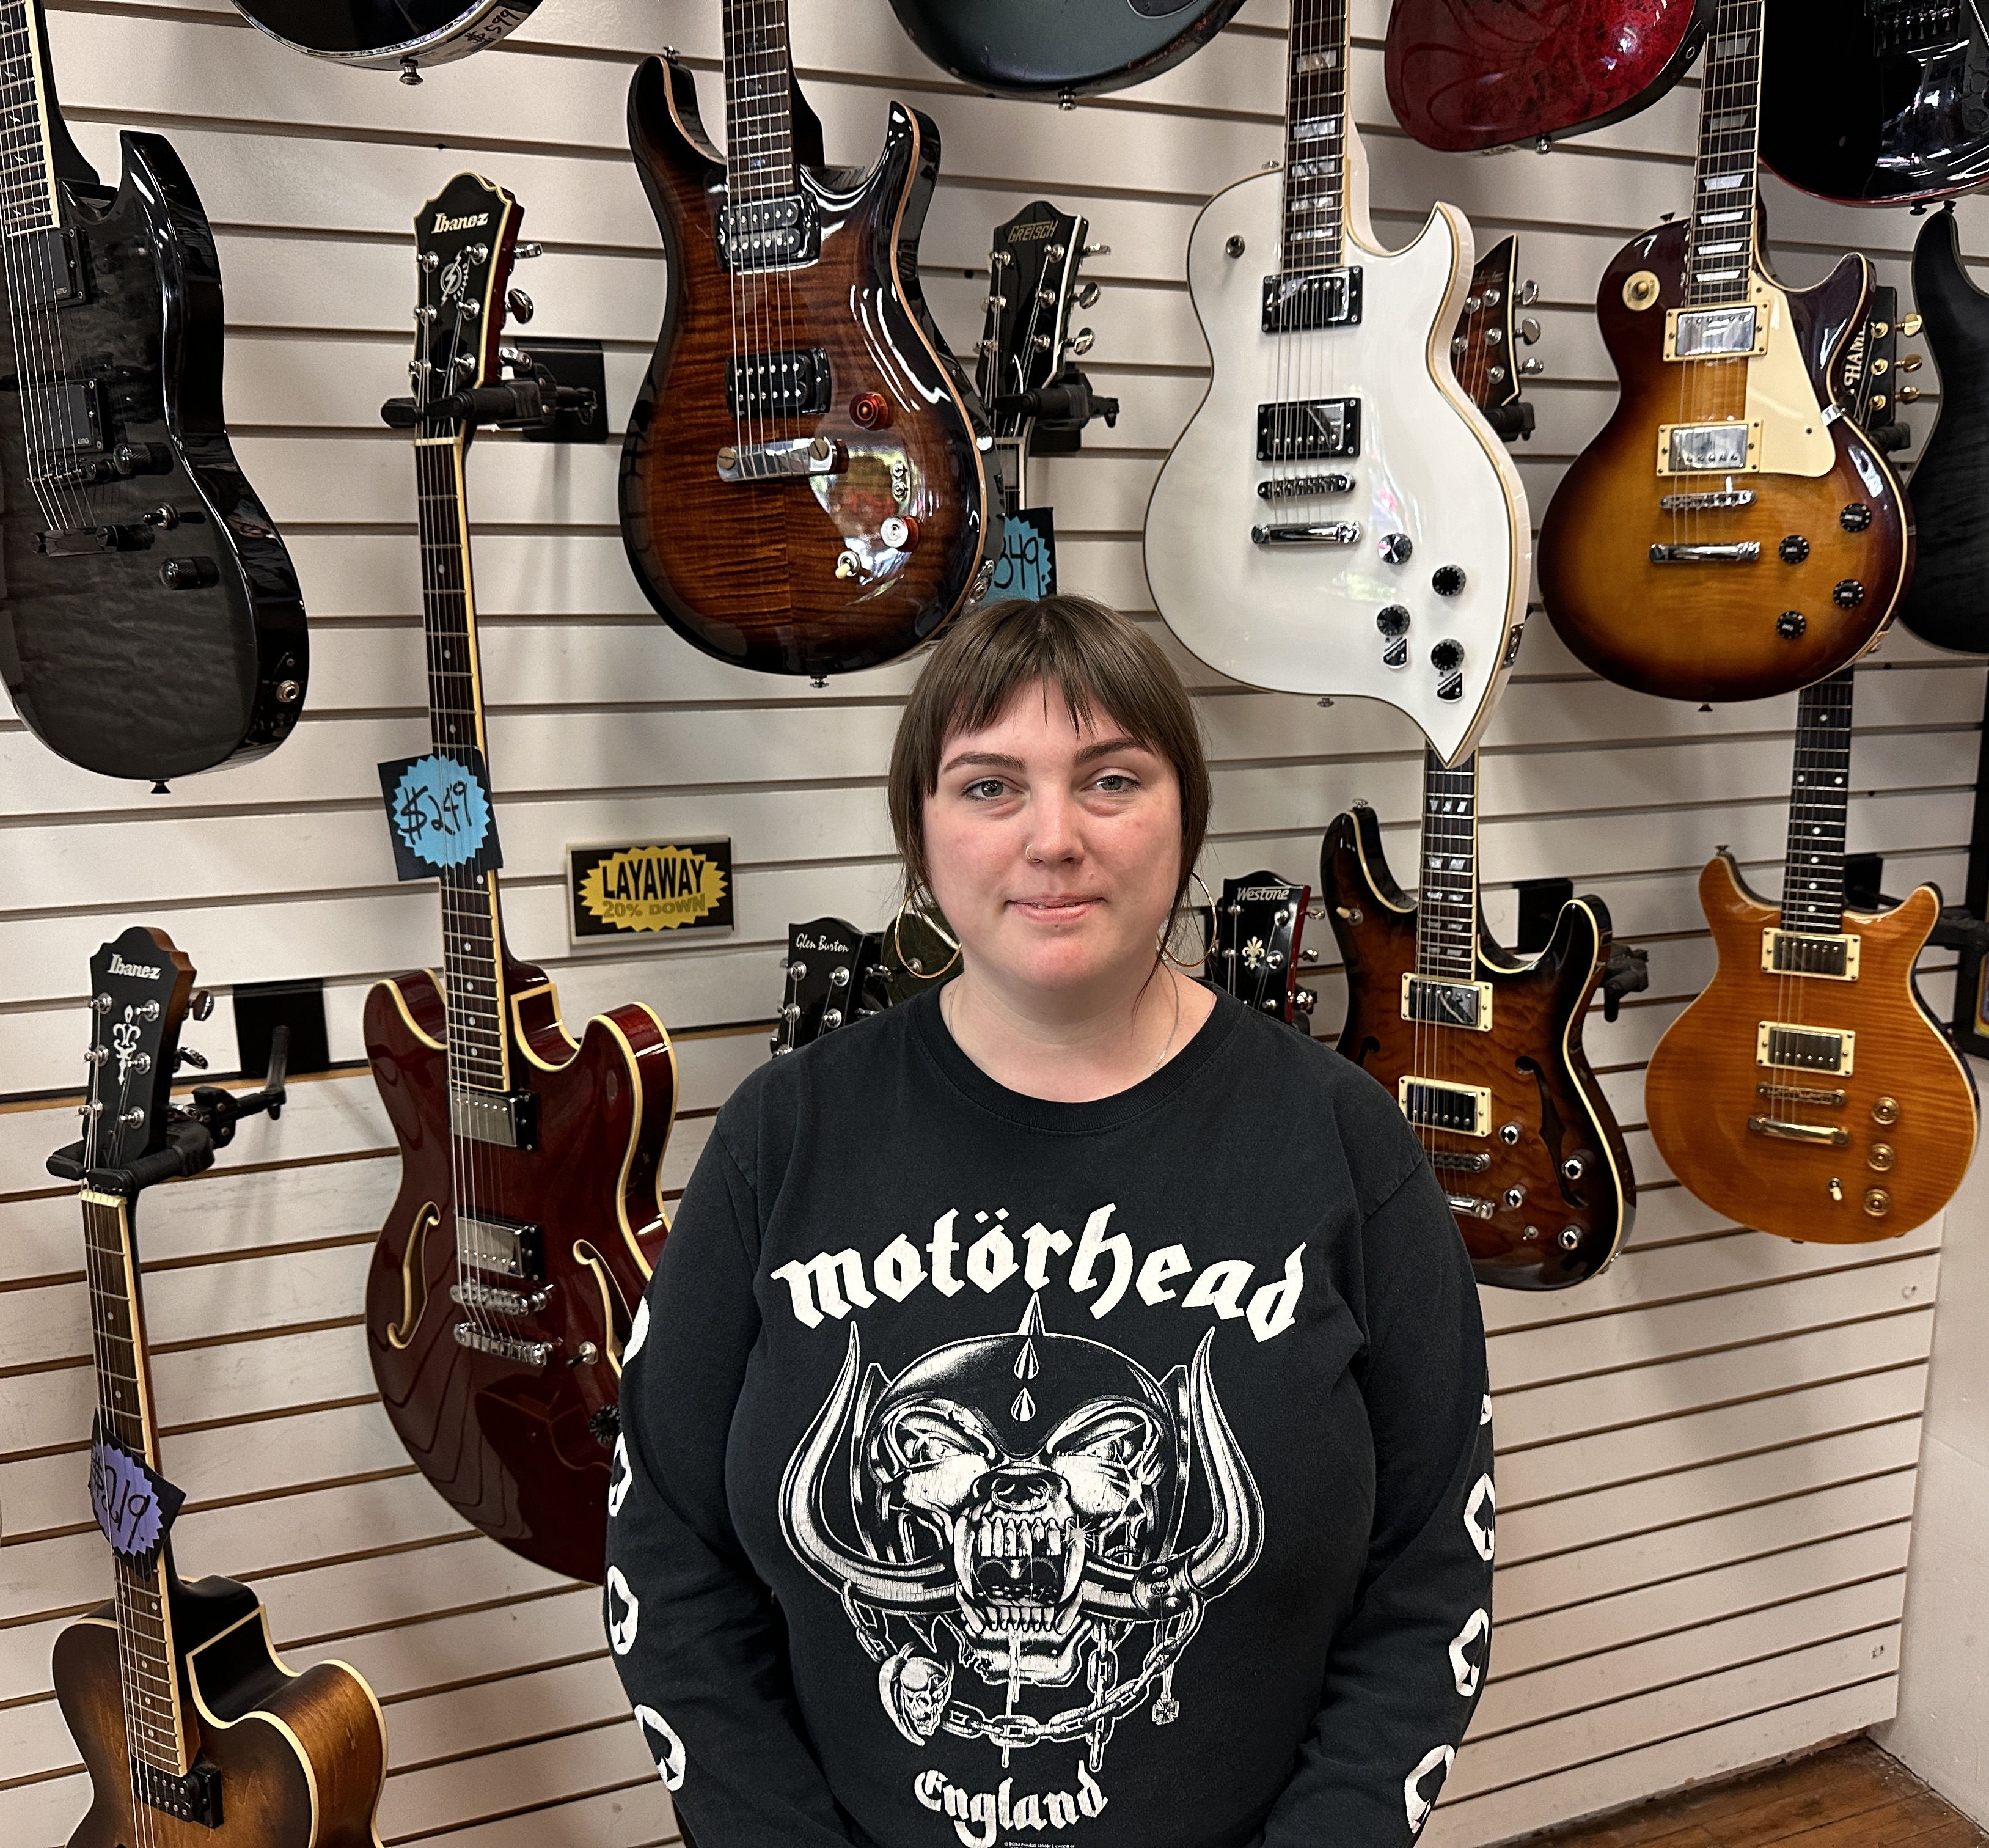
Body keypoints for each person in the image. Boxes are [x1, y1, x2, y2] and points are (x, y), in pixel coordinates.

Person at [606, 595, 1495, 1848]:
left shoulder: (1345, 1143)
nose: (1054, 839)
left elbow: (1428, 1577)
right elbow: (668, 1559)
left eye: (1111, 780)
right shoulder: (783, 1135)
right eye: (988, 787)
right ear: (920, 836)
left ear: (1185, 816)